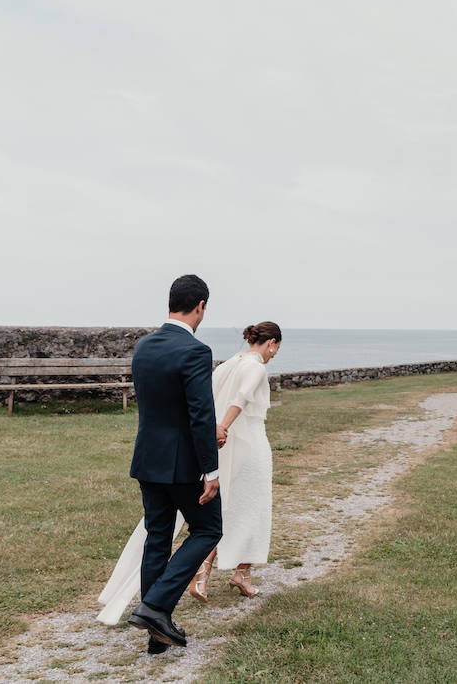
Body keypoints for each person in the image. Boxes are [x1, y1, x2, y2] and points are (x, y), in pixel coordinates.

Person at [120, 274, 223, 653]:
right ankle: (155, 607)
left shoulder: (144, 347)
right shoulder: (196, 351)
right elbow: (201, 414)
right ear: (200, 306)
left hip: (148, 459)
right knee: (209, 530)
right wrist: (210, 471)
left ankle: (156, 635)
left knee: (158, 540)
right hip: (183, 465)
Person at [188, 321, 281, 602]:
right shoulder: (255, 367)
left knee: (232, 508)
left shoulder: (229, 364)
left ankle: (233, 573)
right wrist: (222, 428)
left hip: (230, 449)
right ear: (271, 343)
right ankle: (211, 572)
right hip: (250, 446)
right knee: (252, 510)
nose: (273, 354)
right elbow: (240, 400)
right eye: (275, 349)